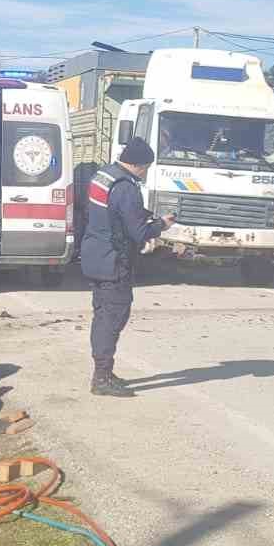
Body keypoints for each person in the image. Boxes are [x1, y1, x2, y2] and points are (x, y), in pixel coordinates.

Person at [79, 136, 173, 397]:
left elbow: (112, 213)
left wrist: (141, 214)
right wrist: (161, 225)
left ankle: (103, 371)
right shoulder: (127, 187)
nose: (146, 173)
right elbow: (139, 232)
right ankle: (101, 378)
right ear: (140, 165)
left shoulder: (104, 175)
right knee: (112, 318)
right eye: (147, 168)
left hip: (95, 255)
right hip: (114, 262)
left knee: (102, 316)